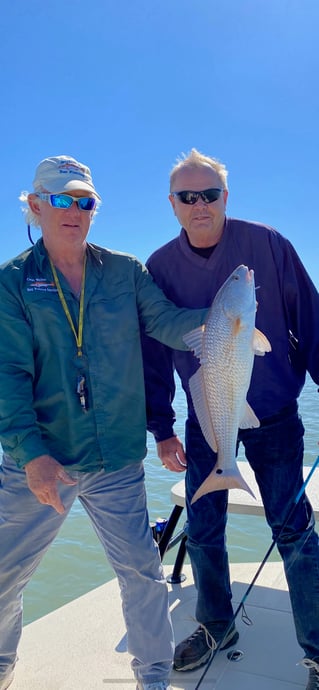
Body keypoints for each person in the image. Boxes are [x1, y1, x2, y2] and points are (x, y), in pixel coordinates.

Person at [0, 155, 208, 690]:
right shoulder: (12, 283)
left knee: (142, 574)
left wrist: (228, 314)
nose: (74, 210)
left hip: (116, 458)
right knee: (4, 576)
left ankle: (154, 675)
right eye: (61, 199)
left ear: (95, 210)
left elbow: (166, 323)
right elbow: (8, 376)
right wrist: (32, 456)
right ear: (35, 205)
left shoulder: (124, 271)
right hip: (42, 461)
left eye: (84, 201)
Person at [142, 148, 319, 690]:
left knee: (294, 530)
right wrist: (161, 425)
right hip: (206, 418)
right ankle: (216, 625)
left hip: (274, 416)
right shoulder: (160, 267)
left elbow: (309, 316)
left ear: (225, 197)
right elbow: (151, 348)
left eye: (209, 194)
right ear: (172, 204)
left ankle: (317, 650)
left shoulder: (266, 244)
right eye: (187, 196)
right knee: (204, 528)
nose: (200, 205)